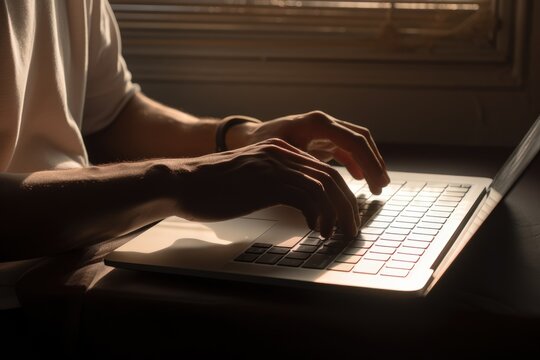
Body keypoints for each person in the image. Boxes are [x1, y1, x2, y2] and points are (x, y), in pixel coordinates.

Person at [0, 0, 389, 348]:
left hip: (77, 256)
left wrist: (238, 137)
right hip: (21, 299)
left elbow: (112, 114)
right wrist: (180, 180)